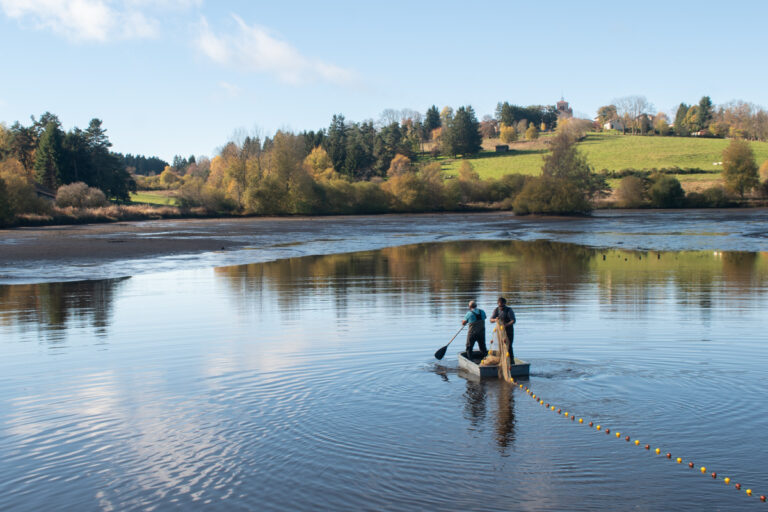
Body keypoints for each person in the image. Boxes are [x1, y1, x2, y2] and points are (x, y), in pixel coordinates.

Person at [490, 297, 516, 364]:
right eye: (499, 305)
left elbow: (513, 320)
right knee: (500, 346)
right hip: (500, 332)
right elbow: (491, 320)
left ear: (505, 303)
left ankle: (511, 362)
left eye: (502, 305)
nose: (501, 307)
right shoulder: (496, 310)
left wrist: (505, 325)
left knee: (509, 346)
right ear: (498, 304)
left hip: (508, 331)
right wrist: (495, 320)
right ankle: (502, 360)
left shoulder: (509, 310)